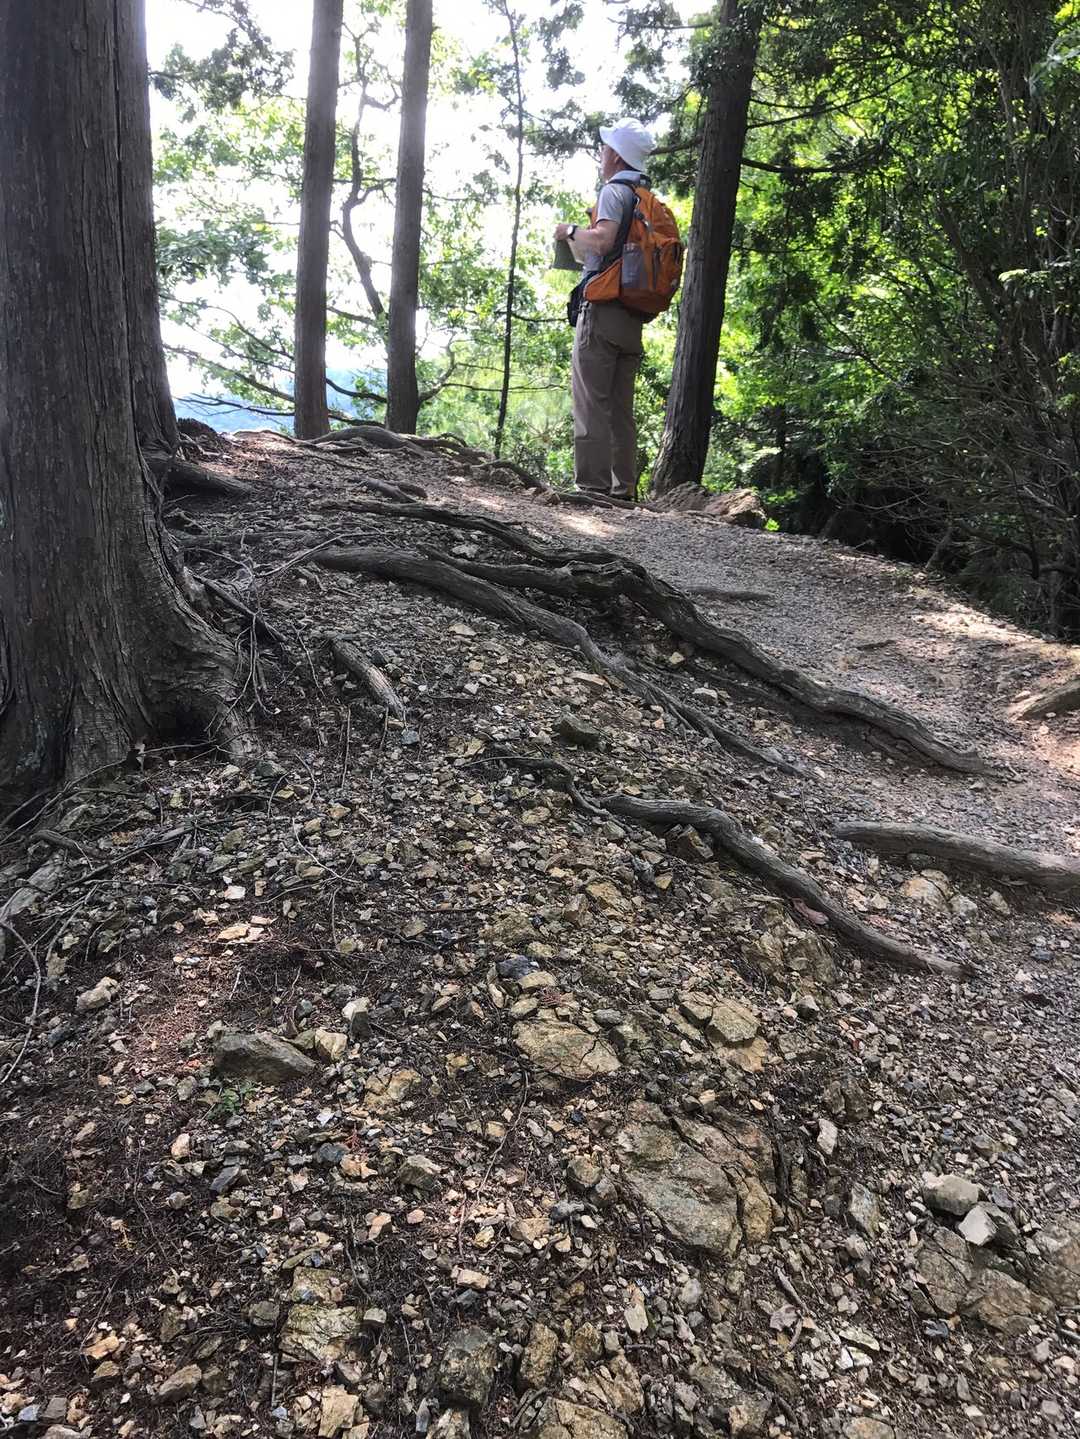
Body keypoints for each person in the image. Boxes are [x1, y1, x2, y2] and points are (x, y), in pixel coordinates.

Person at [554, 117, 655, 501]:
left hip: (602, 311)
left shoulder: (614, 191)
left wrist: (569, 231)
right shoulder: (644, 198)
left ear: (616, 155)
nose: (601, 152)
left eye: (605, 146)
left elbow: (603, 240)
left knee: (590, 401)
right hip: (632, 316)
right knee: (620, 408)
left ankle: (591, 488)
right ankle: (622, 490)